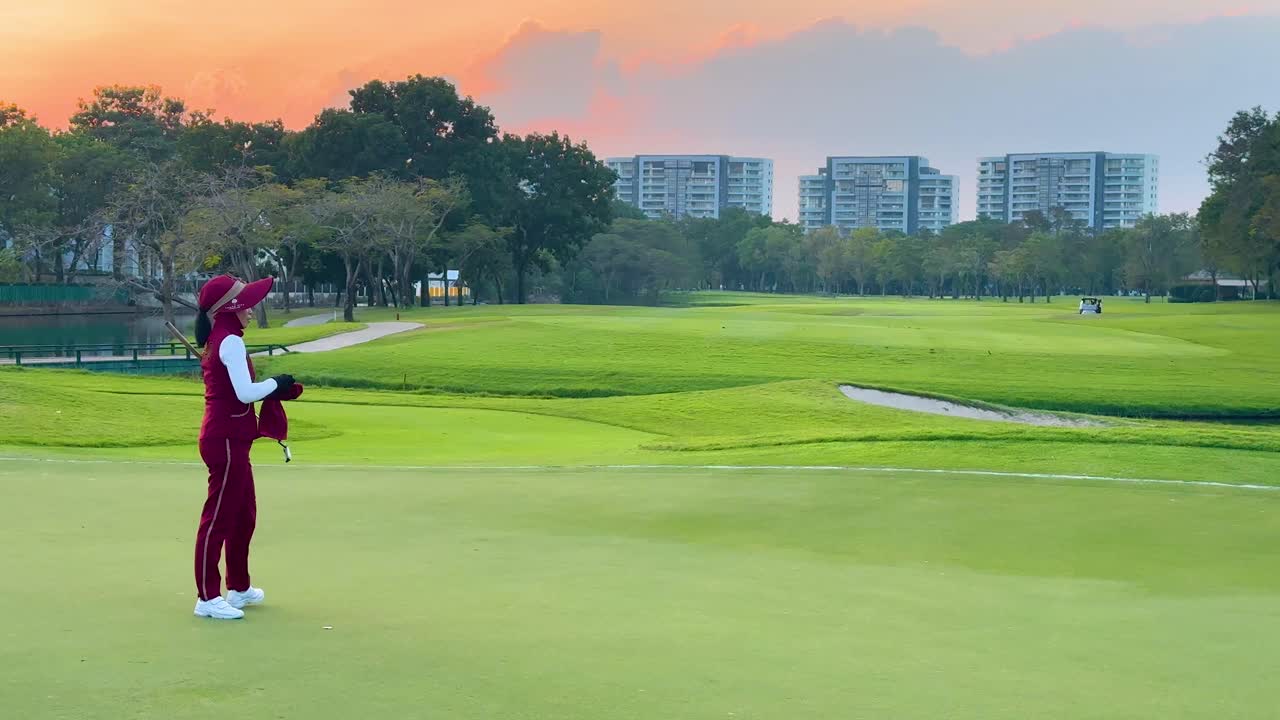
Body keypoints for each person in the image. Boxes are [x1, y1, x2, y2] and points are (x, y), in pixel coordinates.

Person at [191, 274, 297, 620]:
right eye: (247, 304)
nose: (252, 310)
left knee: (243, 515)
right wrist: (276, 383)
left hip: (233, 438)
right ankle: (207, 596)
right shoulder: (229, 342)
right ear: (231, 308)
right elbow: (245, 392)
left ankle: (238, 587)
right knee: (218, 520)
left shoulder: (224, 338)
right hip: (223, 439)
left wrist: (274, 387)